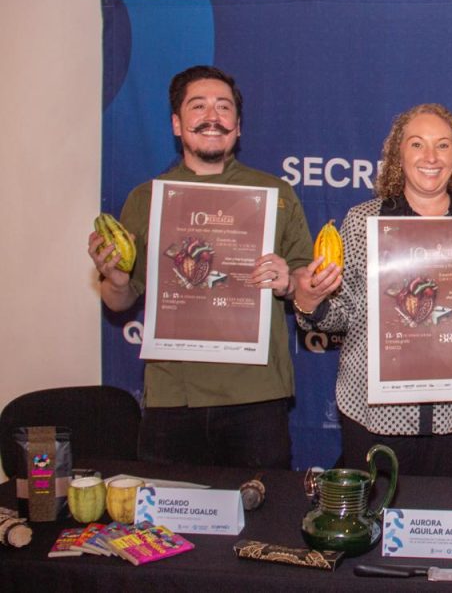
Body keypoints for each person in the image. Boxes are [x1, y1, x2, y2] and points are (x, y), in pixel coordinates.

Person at [87, 65, 313, 468]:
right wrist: (116, 278)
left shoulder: (275, 194)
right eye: (198, 106)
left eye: (224, 107)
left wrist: (288, 283)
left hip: (256, 395)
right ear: (177, 124)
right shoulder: (146, 198)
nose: (213, 117)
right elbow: (120, 300)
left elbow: (306, 282)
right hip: (174, 396)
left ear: (238, 126)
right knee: (170, 509)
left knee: (264, 506)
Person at [290, 103, 452, 477]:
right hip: (376, 414)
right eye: (417, 144)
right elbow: (343, 315)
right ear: (397, 155)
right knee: (376, 513)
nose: (431, 157)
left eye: (443, 145)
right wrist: (310, 303)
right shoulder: (362, 222)